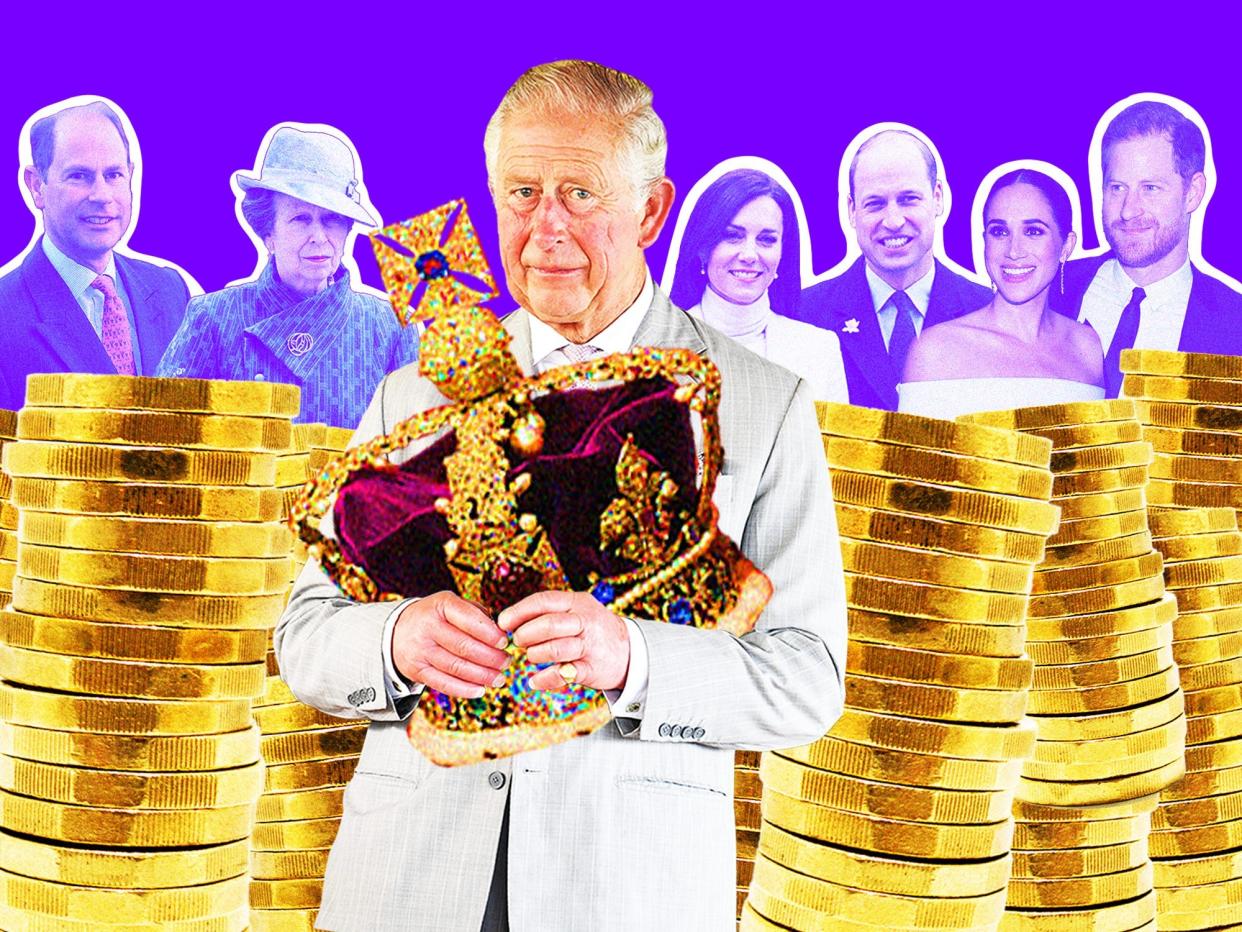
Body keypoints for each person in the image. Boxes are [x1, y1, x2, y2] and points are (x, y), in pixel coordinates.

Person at [276, 60, 846, 932]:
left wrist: (635, 660)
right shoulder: (413, 393)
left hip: (625, 888)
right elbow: (306, 636)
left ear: (653, 210)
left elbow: (808, 679)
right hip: (406, 882)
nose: (545, 227)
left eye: (580, 193)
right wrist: (395, 639)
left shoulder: (764, 402)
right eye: (520, 192)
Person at [156, 125, 418, 428]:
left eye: (332, 220)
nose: (318, 237)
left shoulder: (391, 327)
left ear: (347, 230)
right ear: (268, 232)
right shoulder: (213, 318)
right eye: (300, 219)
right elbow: (165, 432)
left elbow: (417, 448)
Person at [0, 99, 191, 410]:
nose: (102, 195)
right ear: (37, 186)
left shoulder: (170, 291)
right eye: (79, 176)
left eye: (114, 175)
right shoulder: (5, 314)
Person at [790, 129, 993, 410]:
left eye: (909, 199)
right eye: (875, 204)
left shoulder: (989, 312)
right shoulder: (804, 315)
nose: (894, 221)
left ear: (937, 198)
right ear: (851, 210)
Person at [1055, 99, 1242, 396]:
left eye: (1150, 188)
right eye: (1117, 187)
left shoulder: (1235, 327)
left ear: (1192, 193)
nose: (1129, 210)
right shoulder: (1051, 290)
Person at [898, 169, 1104, 418]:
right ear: (985, 241)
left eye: (1033, 231)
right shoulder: (935, 350)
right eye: (1000, 232)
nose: (1013, 251)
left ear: (1066, 246)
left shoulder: (1086, 347)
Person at [667, 167, 848, 401]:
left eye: (766, 240)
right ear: (703, 247)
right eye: (732, 236)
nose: (749, 255)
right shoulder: (660, 347)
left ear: (783, 252)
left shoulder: (819, 350)